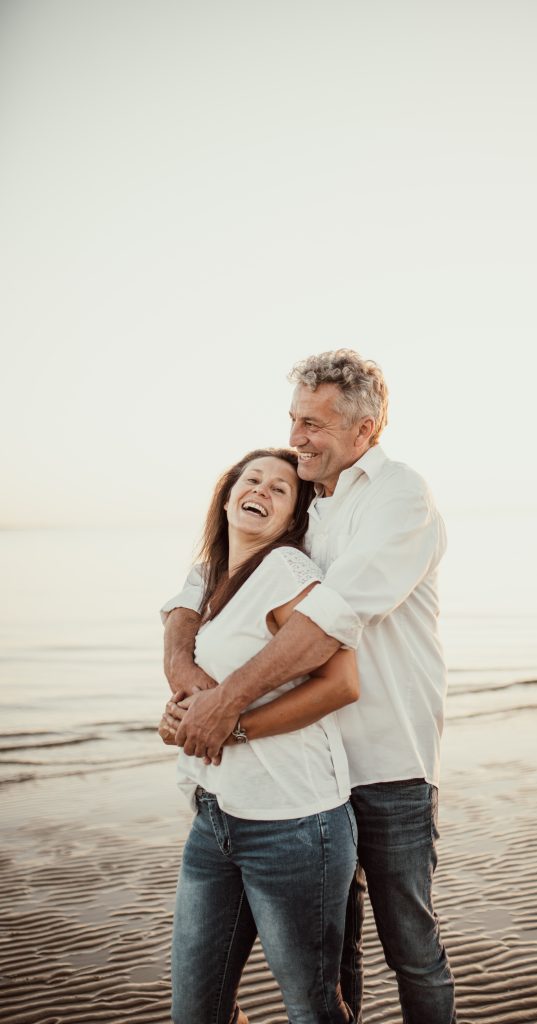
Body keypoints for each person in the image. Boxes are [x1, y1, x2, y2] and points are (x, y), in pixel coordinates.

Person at [164, 351, 456, 1024]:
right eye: (294, 420)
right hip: (303, 779)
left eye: (315, 425)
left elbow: (333, 618)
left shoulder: (397, 496)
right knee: (335, 961)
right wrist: (187, 686)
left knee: (410, 948)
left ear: (366, 430)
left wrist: (223, 708)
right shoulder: (302, 503)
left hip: (385, 764)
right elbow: (195, 592)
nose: (298, 438)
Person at [160, 447, 360, 1024]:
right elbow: (181, 630)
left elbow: (342, 682)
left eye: (280, 489)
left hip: (295, 824)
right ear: (227, 495)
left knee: (312, 1009)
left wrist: (233, 724)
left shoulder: (287, 571)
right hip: (214, 816)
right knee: (196, 1010)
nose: (263, 491)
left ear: (292, 518)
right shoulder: (206, 576)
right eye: (253, 480)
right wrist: (181, 714)